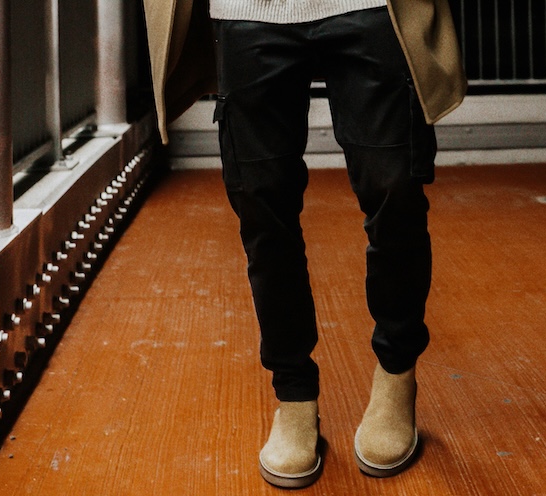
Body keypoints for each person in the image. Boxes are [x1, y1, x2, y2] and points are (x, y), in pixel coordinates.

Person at [143, 0, 466, 488]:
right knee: (262, 210)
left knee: (395, 191)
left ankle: (397, 373)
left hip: (369, 5)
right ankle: (293, 395)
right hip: (248, 9)